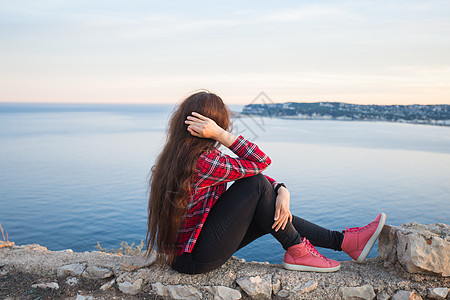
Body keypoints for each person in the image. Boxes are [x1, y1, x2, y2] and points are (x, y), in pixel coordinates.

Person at [146, 91, 386, 275]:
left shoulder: (179, 156)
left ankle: (343, 242)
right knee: (260, 188)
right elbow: (260, 162)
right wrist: (222, 135)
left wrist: (280, 189)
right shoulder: (205, 161)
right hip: (194, 260)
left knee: (266, 208)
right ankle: (303, 250)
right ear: (211, 127)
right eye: (219, 126)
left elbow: (246, 172)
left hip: (184, 255)